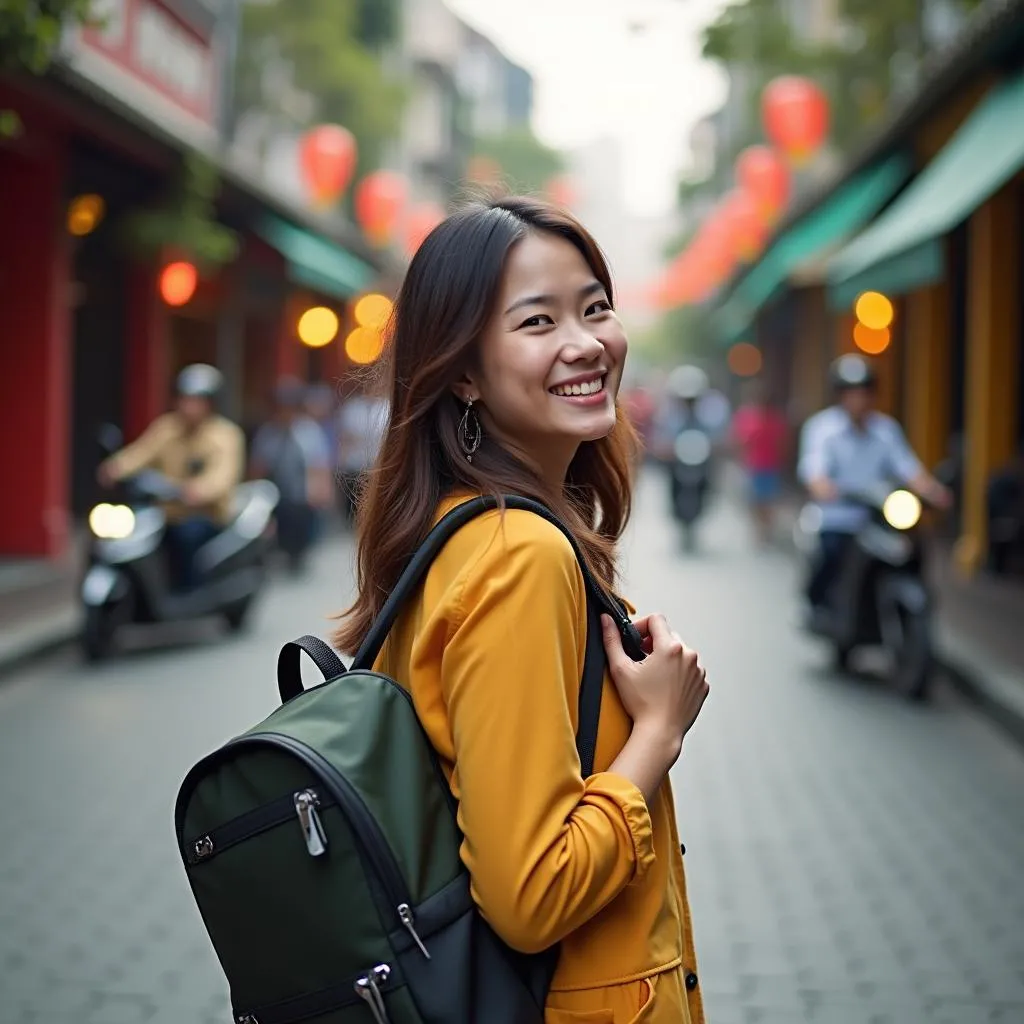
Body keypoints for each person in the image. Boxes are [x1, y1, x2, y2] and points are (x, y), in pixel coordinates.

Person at [333, 198, 709, 1022]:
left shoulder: (457, 532)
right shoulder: (518, 556)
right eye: (537, 322)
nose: (586, 344)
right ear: (462, 371)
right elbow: (531, 896)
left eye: (596, 308)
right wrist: (658, 733)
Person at [797, 354, 951, 623]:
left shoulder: (886, 430)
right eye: (852, 392)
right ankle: (819, 605)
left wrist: (933, 491)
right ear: (840, 395)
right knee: (831, 554)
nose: (859, 399)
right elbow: (814, 469)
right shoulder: (823, 428)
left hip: (878, 518)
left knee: (914, 547)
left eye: (864, 391)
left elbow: (909, 469)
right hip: (839, 517)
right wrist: (822, 486)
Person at [97, 364, 245, 591]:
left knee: (186, 537)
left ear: (210, 404)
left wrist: (197, 491)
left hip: (205, 514)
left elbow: (222, 477)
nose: (189, 407)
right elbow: (141, 453)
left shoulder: (225, 436)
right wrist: (114, 468)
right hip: (166, 511)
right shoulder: (167, 429)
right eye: (185, 399)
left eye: (196, 401)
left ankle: (190, 591)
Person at [250, 378, 333, 573]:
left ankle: (298, 557)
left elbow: (318, 464)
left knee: (300, 528)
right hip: (276, 492)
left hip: (301, 493)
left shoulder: (308, 431)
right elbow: (258, 466)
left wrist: (321, 490)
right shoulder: (268, 433)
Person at [731, 379, 789, 546]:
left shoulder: (774, 419)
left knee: (768, 500)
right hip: (753, 466)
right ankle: (759, 529)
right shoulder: (747, 417)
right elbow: (739, 440)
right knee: (754, 500)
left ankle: (766, 529)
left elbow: (782, 443)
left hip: (770, 466)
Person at [336, 385, 389, 524]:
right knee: (353, 505)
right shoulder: (352, 408)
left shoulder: (386, 407)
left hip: (377, 466)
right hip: (355, 465)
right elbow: (345, 438)